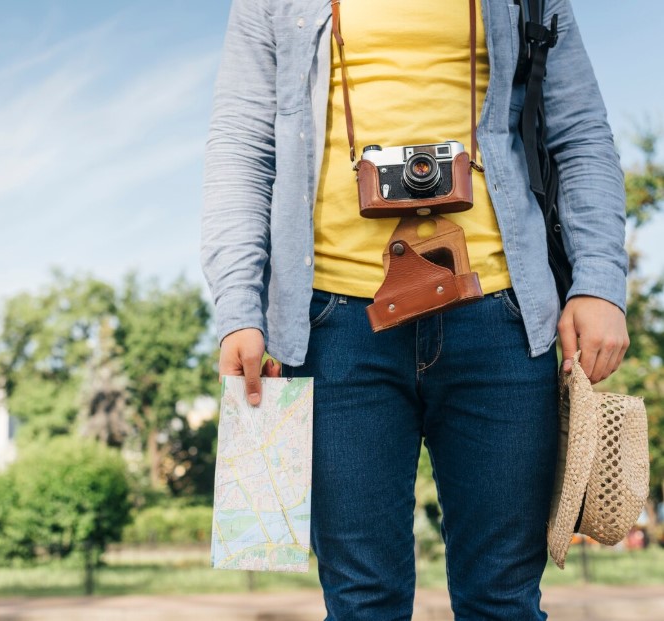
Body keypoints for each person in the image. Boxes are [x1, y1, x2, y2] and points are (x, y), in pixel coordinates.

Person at [201, 1, 628, 619]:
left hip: (504, 314)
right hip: (332, 324)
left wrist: (599, 282)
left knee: (503, 601)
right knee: (361, 602)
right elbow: (241, 146)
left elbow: (580, 132)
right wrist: (240, 307)